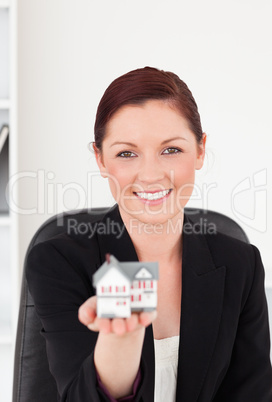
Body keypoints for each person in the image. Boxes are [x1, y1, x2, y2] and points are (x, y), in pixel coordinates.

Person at [26, 67, 272, 401]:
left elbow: (252, 392)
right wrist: (121, 340)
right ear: (100, 159)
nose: (151, 175)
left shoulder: (241, 263)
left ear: (200, 150)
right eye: (126, 153)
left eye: (171, 150)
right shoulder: (58, 260)